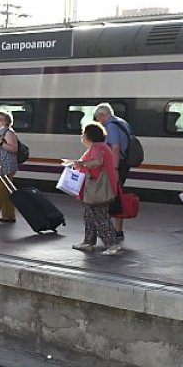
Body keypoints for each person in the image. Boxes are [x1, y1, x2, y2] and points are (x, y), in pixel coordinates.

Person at [68, 122, 121, 255]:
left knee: (100, 216)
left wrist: (81, 163)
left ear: (89, 136)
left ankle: (112, 245)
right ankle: (88, 242)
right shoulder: (100, 147)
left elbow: (97, 162)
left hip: (98, 189)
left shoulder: (97, 148)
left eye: (83, 134)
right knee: (89, 215)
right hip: (94, 188)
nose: (82, 137)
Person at [94, 102, 133, 240]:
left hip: (117, 165)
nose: (98, 121)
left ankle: (111, 230)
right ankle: (117, 229)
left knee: (110, 196)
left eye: (98, 117)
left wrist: (114, 169)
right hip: (124, 163)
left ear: (103, 115)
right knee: (117, 196)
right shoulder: (122, 122)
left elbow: (114, 148)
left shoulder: (111, 126)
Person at [0, 110, 19, 224]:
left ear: (7, 121)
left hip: (6, 166)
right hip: (1, 165)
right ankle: (8, 215)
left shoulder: (8, 133)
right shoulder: (1, 133)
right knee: (6, 191)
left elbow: (14, 148)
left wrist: (1, 143)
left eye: (0, 119)